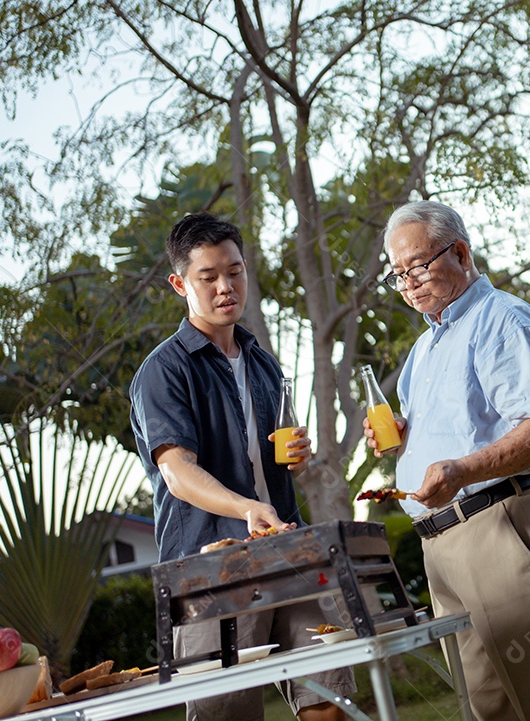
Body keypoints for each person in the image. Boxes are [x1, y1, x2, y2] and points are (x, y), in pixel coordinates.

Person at [364, 200, 530, 721]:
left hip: (503, 524)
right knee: (488, 708)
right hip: (443, 545)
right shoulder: (424, 351)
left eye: (418, 266)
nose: (407, 284)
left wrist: (461, 471)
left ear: (460, 253)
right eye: (397, 274)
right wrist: (406, 437)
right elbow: (460, 428)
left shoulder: (502, 320)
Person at [129, 213, 354, 721]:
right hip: (211, 571)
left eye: (234, 271)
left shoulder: (262, 362)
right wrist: (246, 505)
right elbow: (177, 472)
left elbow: (270, 455)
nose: (225, 287)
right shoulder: (162, 372)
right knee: (226, 716)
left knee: (330, 699)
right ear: (179, 284)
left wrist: (292, 458)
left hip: (286, 552)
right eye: (208, 277)